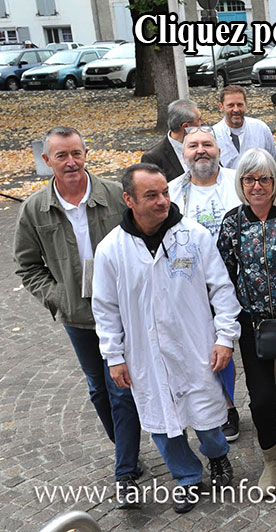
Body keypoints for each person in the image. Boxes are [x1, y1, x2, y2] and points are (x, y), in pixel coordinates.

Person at [92, 163, 242, 513]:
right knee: (162, 424)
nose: (162, 201)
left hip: (194, 347)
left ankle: (217, 455)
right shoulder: (111, 249)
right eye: (151, 195)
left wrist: (225, 337)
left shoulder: (193, 236)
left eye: (164, 192)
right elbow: (105, 308)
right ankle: (187, 477)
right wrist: (114, 356)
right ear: (129, 200)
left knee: (207, 418)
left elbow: (222, 289)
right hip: (144, 355)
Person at [13, 126, 142, 507]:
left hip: (121, 311)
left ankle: (125, 473)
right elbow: (27, 266)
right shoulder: (35, 209)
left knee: (120, 389)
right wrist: (58, 298)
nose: (71, 162)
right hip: (78, 317)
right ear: (46, 160)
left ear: (86, 153)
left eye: (76, 153)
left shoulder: (114, 196)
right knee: (98, 389)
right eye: (61, 155)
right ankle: (125, 450)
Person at [216, 148, 276, 495]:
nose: (257, 186)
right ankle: (272, 459)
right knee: (260, 399)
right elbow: (223, 275)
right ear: (241, 183)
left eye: (264, 179)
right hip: (253, 325)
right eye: (249, 179)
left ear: (275, 181)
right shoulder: (233, 222)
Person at [168, 126, 242, 440]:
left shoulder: (238, 182)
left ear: (219, 151)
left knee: (254, 344)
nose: (201, 150)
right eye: (193, 145)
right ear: (184, 154)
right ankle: (227, 406)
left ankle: (272, 391)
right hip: (193, 284)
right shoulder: (172, 191)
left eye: (207, 145)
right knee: (212, 347)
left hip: (241, 277)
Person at [212, 85, 276, 169]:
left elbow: (273, 164)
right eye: (231, 105)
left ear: (246, 105)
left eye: (240, 105)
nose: (236, 110)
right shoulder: (213, 134)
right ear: (221, 107)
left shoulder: (260, 129)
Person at [141, 98, 203, 181]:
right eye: (199, 120)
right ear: (186, 126)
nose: (202, 123)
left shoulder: (206, 146)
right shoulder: (153, 158)